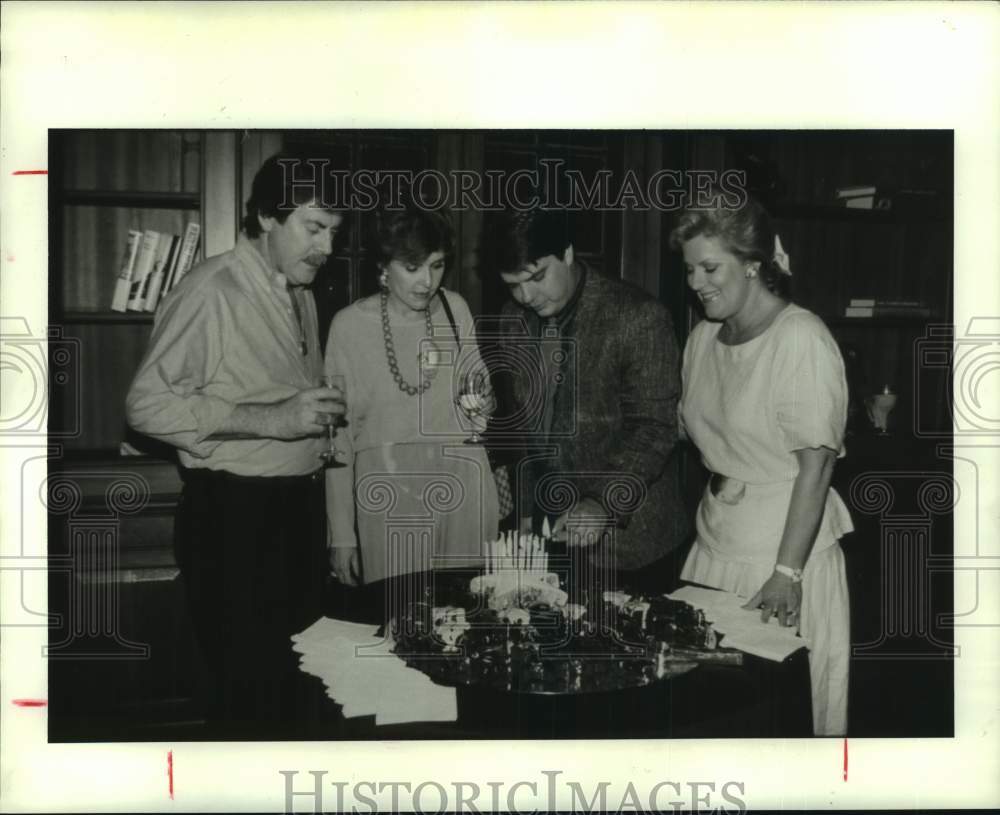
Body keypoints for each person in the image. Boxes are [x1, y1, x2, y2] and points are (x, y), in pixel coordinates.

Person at [125, 153, 345, 737]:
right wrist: (271, 420)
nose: (325, 247)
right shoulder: (211, 290)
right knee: (249, 700)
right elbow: (144, 405)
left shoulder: (302, 291)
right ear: (268, 218)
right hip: (236, 520)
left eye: (335, 231)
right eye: (313, 227)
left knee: (295, 691)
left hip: (294, 513)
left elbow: (283, 398)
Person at [670, 193, 854, 736]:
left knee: (782, 718)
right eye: (689, 270)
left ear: (753, 265)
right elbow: (706, 429)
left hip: (782, 558)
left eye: (710, 267)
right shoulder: (703, 337)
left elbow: (817, 467)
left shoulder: (801, 338)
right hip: (713, 547)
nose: (697, 282)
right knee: (710, 720)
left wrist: (787, 573)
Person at [483, 208, 688, 592]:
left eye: (537, 277)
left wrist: (602, 504)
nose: (526, 296)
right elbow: (526, 427)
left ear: (569, 253)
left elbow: (654, 430)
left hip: (633, 548)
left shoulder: (638, 317)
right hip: (551, 543)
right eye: (512, 285)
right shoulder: (512, 320)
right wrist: (527, 511)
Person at [325, 205, 500, 586]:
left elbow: (483, 400)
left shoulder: (456, 309)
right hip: (387, 493)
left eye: (436, 266)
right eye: (412, 267)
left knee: (468, 623)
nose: (427, 281)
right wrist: (341, 534)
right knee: (400, 624)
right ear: (384, 266)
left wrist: (483, 401)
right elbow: (336, 437)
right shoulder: (348, 327)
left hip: (462, 484)